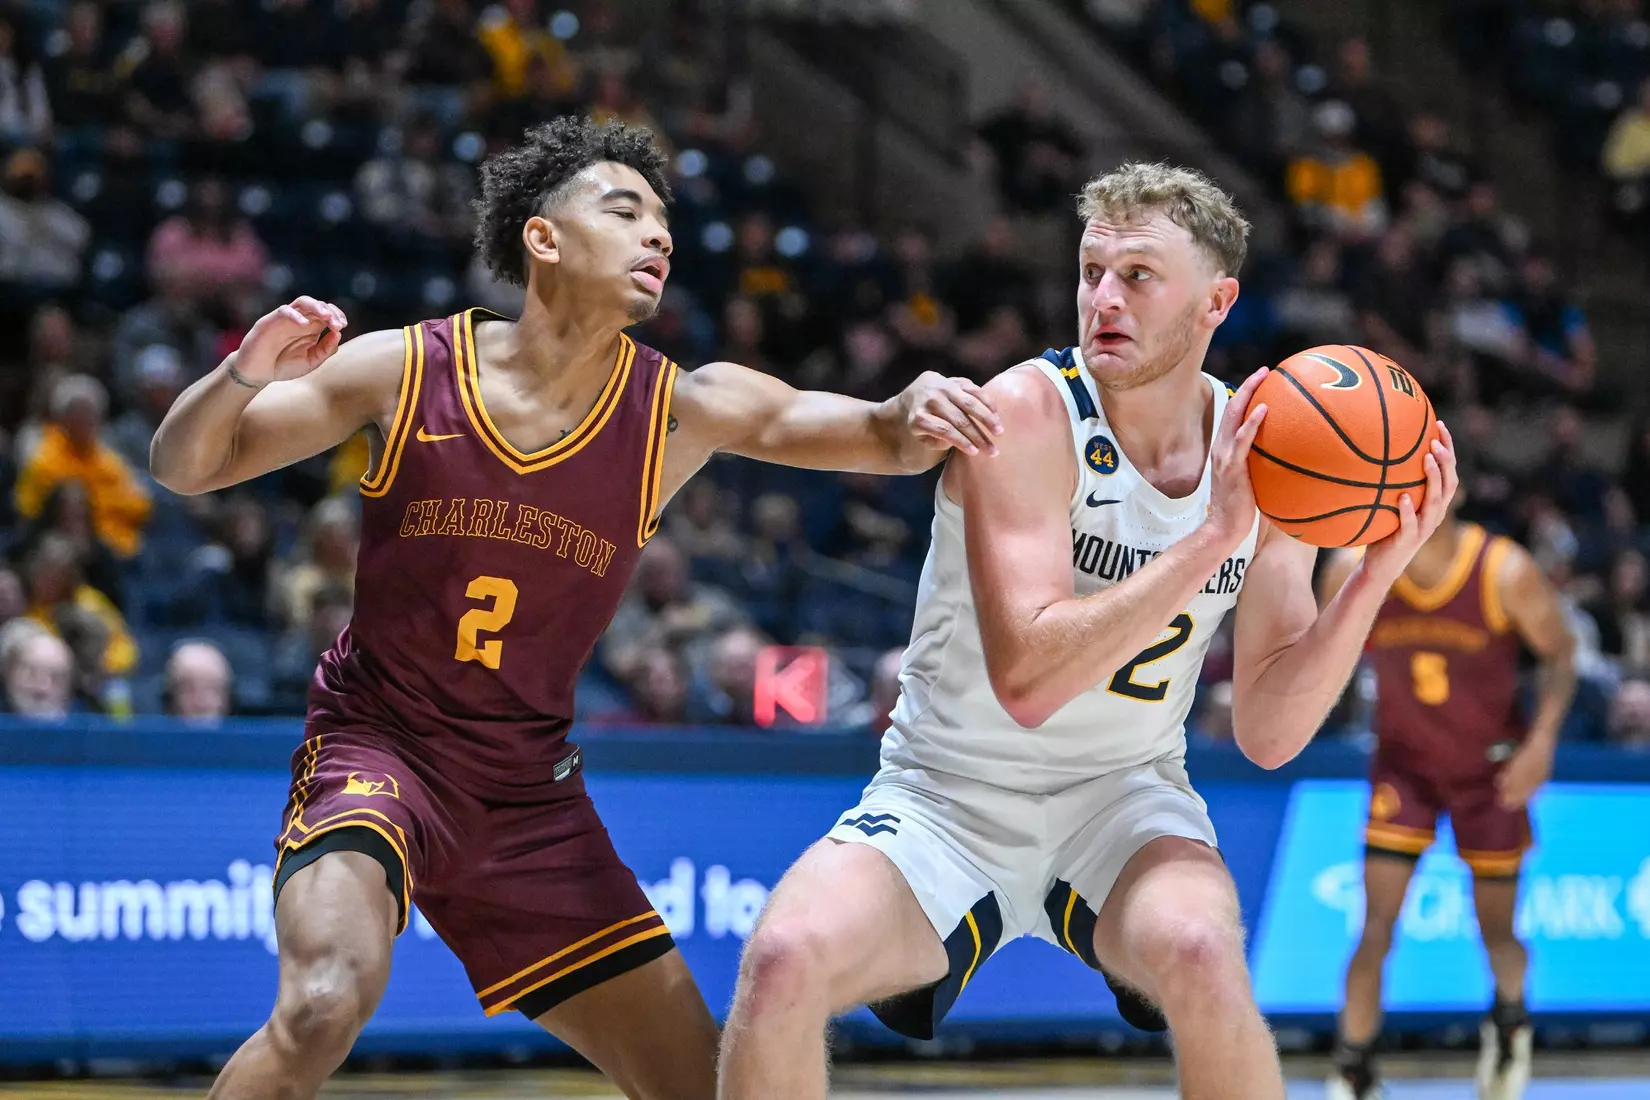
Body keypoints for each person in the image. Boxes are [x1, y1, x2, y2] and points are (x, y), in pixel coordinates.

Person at [146, 116, 999, 1100]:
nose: (658, 235)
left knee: (703, 1085)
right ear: (543, 238)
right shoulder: (408, 367)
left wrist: (915, 406)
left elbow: (877, 434)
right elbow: (184, 464)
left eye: (664, 222)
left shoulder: (680, 407)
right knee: (324, 1002)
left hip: (527, 794)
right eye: (625, 211)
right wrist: (245, 371)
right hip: (380, 748)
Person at [717, 162, 1457, 1100]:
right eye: (1090, 272)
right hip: (947, 795)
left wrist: (1377, 574)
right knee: (782, 961)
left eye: (1137, 276)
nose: (1104, 298)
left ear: (1216, 301)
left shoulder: (1268, 449)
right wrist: (1209, 540)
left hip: (1122, 797)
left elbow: (1271, 733)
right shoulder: (1025, 412)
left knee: (1204, 955)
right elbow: (1029, 680)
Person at [1318, 493, 1575, 1100]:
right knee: (1374, 928)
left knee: (1498, 933)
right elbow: (1318, 654)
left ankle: (1510, 1020)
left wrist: (1542, 743)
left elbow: (1561, 652)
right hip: (1404, 769)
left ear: (1453, 488)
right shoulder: (1354, 566)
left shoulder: (1504, 570)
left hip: (1490, 772)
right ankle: (1353, 1067)